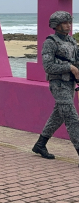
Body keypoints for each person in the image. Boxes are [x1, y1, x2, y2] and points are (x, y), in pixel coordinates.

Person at [32, 10, 79, 163]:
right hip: (58, 85)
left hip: (70, 84)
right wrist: (69, 68)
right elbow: (48, 67)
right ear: (56, 25)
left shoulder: (71, 41)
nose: (68, 25)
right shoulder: (50, 42)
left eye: (69, 22)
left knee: (58, 116)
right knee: (72, 118)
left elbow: (77, 62)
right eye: (64, 23)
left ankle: (40, 144)